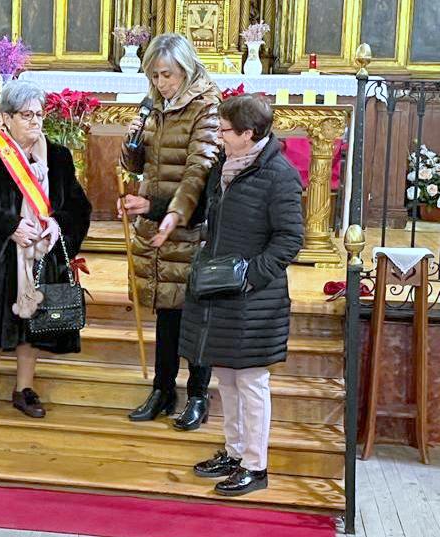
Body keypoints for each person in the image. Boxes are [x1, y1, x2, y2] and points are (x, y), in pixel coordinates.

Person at [0, 80, 92, 419]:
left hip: (41, 255)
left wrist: (57, 225)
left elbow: (78, 205)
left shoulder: (58, 157)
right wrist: (9, 226)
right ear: (5, 118)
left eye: (39, 114)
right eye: (26, 114)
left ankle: (24, 388)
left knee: (34, 324)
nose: (35, 121)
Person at [186, 94, 304, 495]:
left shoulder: (279, 175)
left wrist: (251, 276)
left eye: (224, 131)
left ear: (248, 134)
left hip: (256, 297)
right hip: (223, 291)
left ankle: (256, 464)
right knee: (227, 379)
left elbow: (289, 239)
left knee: (251, 382)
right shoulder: (227, 166)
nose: (219, 136)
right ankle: (234, 452)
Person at [119, 33, 220, 429]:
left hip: (189, 223)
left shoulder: (206, 107)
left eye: (168, 75)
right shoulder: (154, 107)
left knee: (194, 312)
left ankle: (197, 393)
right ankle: (163, 389)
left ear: (187, 68)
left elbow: (199, 171)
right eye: (155, 76)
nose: (161, 83)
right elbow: (138, 165)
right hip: (157, 222)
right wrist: (131, 143)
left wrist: (173, 214)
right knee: (165, 308)